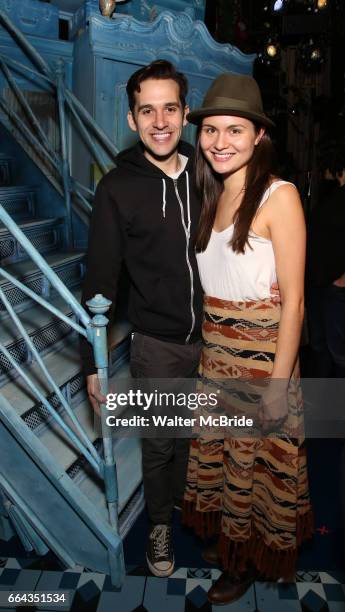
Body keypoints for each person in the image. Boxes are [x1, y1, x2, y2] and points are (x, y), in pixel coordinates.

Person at [182, 73, 313, 605]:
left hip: (264, 366)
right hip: (217, 361)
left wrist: (279, 385)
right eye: (210, 130)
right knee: (227, 465)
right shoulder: (209, 195)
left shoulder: (279, 197)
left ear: (259, 135)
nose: (219, 142)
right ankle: (236, 545)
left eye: (234, 130)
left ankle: (245, 564)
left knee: (256, 467)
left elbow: (296, 304)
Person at [80, 60, 204, 577]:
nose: (160, 121)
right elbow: (100, 281)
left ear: (185, 112)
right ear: (132, 119)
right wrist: (92, 359)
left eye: (169, 109)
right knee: (159, 443)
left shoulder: (206, 169)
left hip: (217, 338)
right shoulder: (117, 188)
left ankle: (183, 503)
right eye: (146, 110)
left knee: (197, 434)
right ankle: (157, 527)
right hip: (157, 342)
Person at [306, 149, 345, 378]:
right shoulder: (332, 194)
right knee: (320, 348)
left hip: (334, 289)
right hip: (319, 284)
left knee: (338, 353)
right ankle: (324, 407)